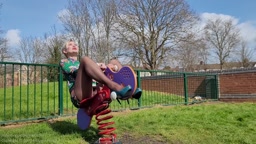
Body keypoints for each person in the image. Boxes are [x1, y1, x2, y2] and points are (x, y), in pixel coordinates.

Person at [59, 39, 139, 108]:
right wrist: (98, 66)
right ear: (64, 51)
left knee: (114, 61)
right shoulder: (64, 62)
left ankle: (130, 89)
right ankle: (114, 86)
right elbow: (74, 71)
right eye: (70, 44)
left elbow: (93, 71)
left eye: (75, 44)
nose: (74, 45)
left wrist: (112, 67)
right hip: (81, 95)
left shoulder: (82, 64)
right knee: (85, 60)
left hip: (96, 90)